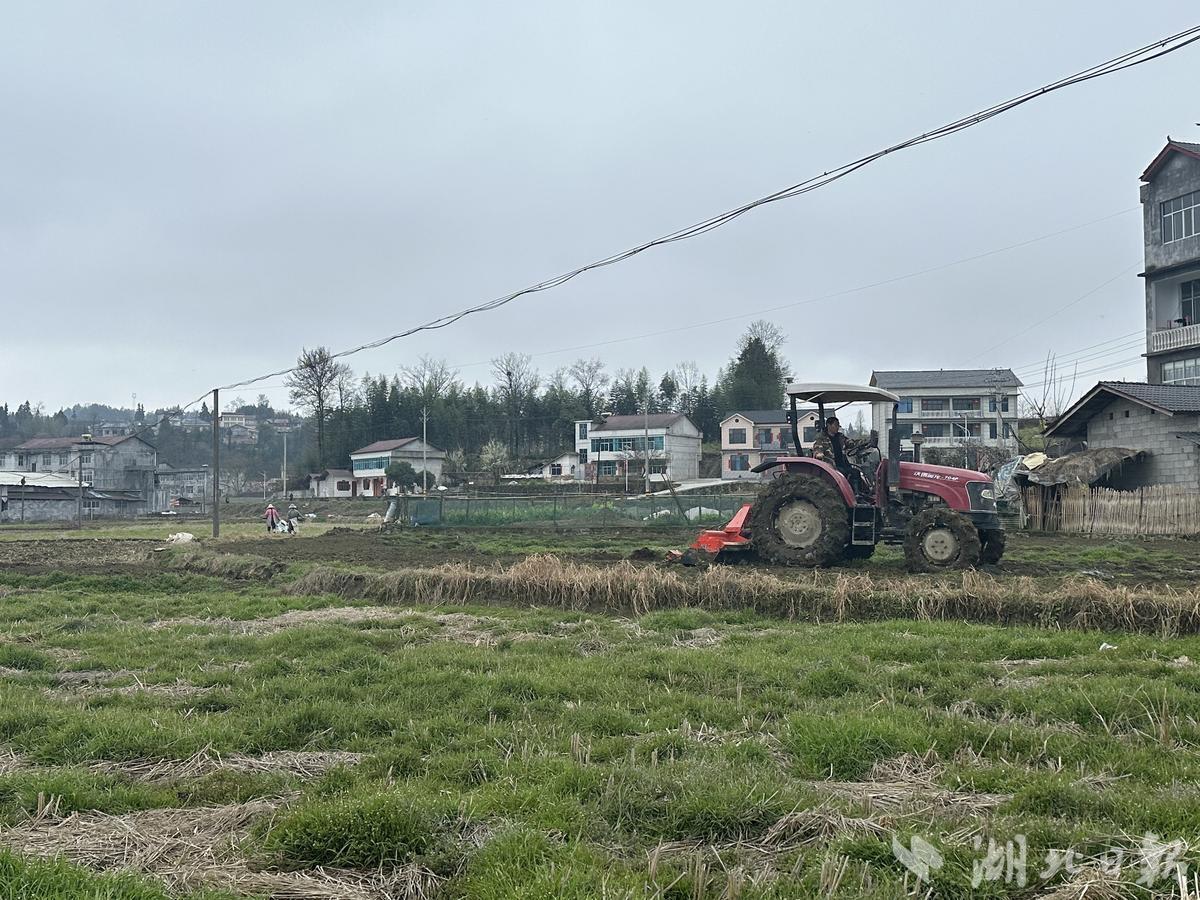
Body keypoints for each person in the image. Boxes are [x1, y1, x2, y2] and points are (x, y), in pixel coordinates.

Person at [811, 416, 869, 496]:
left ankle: (857, 494)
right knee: (843, 473)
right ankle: (845, 495)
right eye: (836, 425)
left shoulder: (840, 437)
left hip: (843, 464)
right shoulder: (821, 438)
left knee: (855, 472)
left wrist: (864, 442)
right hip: (831, 466)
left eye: (838, 425)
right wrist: (819, 453)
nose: (838, 427)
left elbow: (851, 443)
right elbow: (817, 448)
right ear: (829, 425)